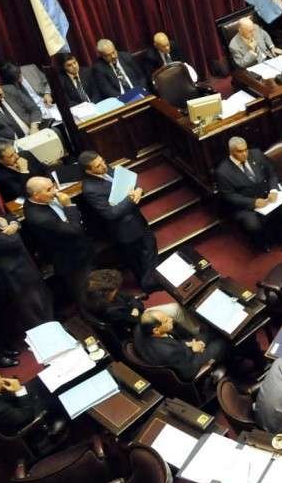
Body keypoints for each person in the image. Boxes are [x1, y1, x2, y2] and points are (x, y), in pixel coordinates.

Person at [79, 150, 159, 292]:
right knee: (137, 259)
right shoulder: (90, 189)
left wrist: (138, 190)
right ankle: (148, 285)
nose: (104, 166)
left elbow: (128, 182)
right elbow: (110, 213)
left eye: (103, 161)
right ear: (88, 170)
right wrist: (130, 199)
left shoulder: (107, 168)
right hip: (124, 229)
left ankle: (152, 280)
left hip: (137, 219)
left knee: (150, 247)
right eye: (98, 166)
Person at [214, 137, 282, 252]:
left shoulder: (256, 154)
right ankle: (263, 242)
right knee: (253, 225)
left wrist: (273, 191)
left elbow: (271, 174)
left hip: (266, 196)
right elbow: (229, 196)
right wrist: (253, 202)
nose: (245, 154)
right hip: (245, 204)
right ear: (231, 152)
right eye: (240, 151)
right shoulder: (222, 172)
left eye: (246, 149)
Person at [23, 176, 93, 304]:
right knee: (83, 291)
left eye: (53, 186)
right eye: (49, 189)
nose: (55, 191)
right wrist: (69, 205)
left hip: (81, 248)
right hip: (70, 258)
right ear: (36, 195)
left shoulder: (43, 199)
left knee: (92, 284)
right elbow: (75, 229)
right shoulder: (39, 217)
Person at [0, 212, 52, 348]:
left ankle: (52, 328)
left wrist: (13, 224)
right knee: (30, 310)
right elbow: (11, 243)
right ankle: (47, 343)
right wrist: (13, 229)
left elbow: (9, 216)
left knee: (42, 300)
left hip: (23, 265)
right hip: (10, 273)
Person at [134, 307, 226, 381]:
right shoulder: (169, 351)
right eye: (166, 321)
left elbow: (177, 347)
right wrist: (197, 351)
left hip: (180, 352)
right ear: (156, 330)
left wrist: (188, 344)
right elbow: (189, 372)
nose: (171, 319)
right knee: (221, 343)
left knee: (208, 333)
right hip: (189, 364)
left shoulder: (139, 328)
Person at [0, 371, 65, 450]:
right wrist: (19, 390)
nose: (2, 379)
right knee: (55, 394)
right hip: (28, 419)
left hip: (13, 406)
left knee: (36, 383)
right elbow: (26, 416)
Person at [0, 78, 41, 143]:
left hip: (33, 131)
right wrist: (16, 144)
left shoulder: (10, 89)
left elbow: (34, 109)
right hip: (13, 144)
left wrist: (34, 127)